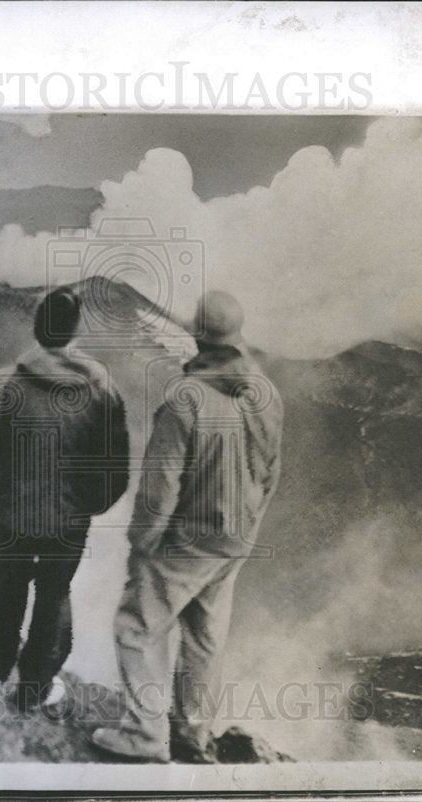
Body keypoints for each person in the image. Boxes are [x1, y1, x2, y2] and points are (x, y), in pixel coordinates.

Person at [91, 291, 284, 763]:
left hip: (188, 539)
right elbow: (271, 472)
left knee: (137, 626)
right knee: (204, 635)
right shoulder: (266, 393)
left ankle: (144, 736)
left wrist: (142, 541)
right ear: (239, 335)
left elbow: (160, 487)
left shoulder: (185, 399)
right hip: (235, 538)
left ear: (197, 336)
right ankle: (192, 736)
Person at [0, 287, 130, 710]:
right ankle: (35, 687)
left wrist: (0, 491)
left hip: (13, 515)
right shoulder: (100, 390)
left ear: (37, 329)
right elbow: (114, 467)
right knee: (54, 593)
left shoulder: (7, 384)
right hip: (68, 522)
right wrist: (87, 506)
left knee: (7, 586)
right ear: (74, 332)